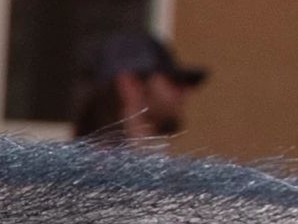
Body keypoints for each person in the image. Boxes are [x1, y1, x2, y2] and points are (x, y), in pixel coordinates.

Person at [66, 27, 206, 147]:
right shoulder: (103, 167)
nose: (186, 92)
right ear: (131, 84)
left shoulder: (91, 161)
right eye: (174, 81)